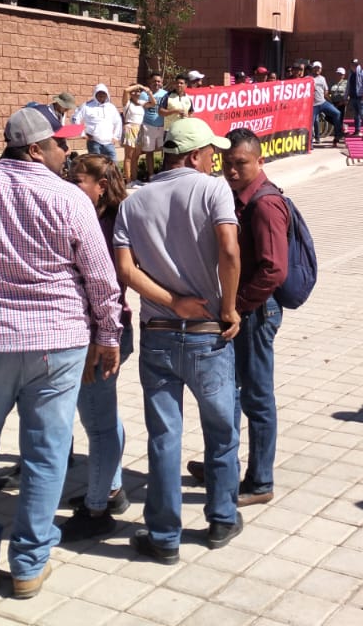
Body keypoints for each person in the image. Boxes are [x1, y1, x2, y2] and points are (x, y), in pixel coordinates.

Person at [0, 107, 121, 600]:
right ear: (35, 149)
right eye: (60, 144)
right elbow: (100, 277)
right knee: (46, 452)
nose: (67, 152)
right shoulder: (69, 197)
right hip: (59, 343)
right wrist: (108, 335)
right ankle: (30, 564)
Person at [113, 117, 242, 564]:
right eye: (210, 153)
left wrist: (172, 302)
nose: (214, 161)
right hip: (208, 334)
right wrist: (228, 307)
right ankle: (222, 518)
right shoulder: (213, 190)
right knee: (221, 430)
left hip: (158, 333)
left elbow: (125, 270)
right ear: (193, 155)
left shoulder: (133, 201)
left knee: (164, 436)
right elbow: (229, 249)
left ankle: (164, 536)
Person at [186, 128, 288, 508]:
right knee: (229, 391)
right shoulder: (238, 198)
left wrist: (238, 307)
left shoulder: (265, 205)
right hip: (240, 310)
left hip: (256, 311)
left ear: (260, 161)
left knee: (257, 397)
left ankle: (260, 481)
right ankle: (224, 466)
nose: (231, 170)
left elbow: (274, 270)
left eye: (240, 163)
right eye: (227, 163)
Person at [58, 155, 133, 541]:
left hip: (100, 336)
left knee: (97, 423)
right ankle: (111, 488)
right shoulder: (92, 216)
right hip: (103, 332)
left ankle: (98, 508)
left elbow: (108, 285)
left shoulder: (108, 224)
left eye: (78, 181)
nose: (70, 186)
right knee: (102, 416)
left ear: (101, 186)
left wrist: (98, 340)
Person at [75, 84, 123, 162]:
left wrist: (116, 137)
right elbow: (75, 118)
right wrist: (82, 133)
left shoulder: (111, 107)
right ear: (95, 93)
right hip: (94, 143)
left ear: (107, 94)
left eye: (103, 93)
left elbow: (118, 122)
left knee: (113, 165)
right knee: (96, 165)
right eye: (99, 93)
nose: (101, 95)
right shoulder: (87, 106)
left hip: (109, 143)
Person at [137, 73, 168, 182]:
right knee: (149, 152)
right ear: (150, 82)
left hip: (162, 126)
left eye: (159, 81)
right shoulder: (143, 95)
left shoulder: (165, 94)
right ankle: (151, 175)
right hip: (148, 126)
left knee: (164, 151)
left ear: (162, 82)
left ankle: (164, 173)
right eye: (154, 81)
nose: (156, 83)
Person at [309, 62, 344, 146]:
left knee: (337, 113)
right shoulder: (308, 78)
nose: (317, 69)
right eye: (315, 68)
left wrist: (331, 102)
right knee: (311, 123)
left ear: (321, 69)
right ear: (312, 68)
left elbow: (326, 91)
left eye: (319, 68)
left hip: (322, 102)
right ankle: (309, 143)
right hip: (313, 105)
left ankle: (338, 135)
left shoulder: (322, 78)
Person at [120, 84, 147, 183]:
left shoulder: (141, 103)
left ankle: (135, 179)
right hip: (130, 128)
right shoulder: (127, 103)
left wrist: (147, 91)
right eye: (134, 91)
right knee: (129, 156)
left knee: (136, 156)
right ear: (131, 93)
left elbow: (153, 103)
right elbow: (125, 90)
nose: (137, 93)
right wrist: (138, 85)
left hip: (139, 129)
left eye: (138, 91)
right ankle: (128, 180)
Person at [348, 59, 363, 139]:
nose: (354, 66)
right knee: (356, 115)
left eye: (355, 64)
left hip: (361, 97)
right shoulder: (351, 74)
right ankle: (357, 131)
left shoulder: (362, 72)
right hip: (353, 97)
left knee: (362, 115)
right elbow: (348, 85)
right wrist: (346, 96)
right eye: (352, 64)